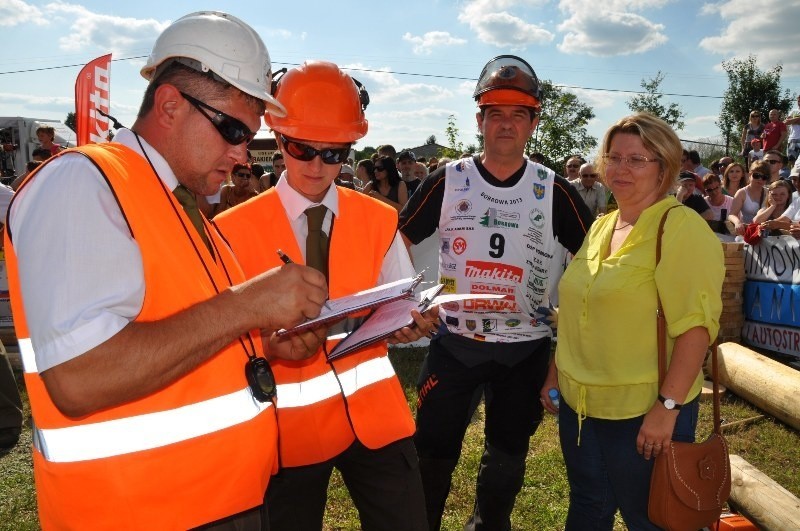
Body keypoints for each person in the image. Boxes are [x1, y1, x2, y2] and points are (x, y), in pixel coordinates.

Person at [4, 11, 329, 530]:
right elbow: (80, 377)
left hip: (218, 504)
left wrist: (261, 343)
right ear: (170, 104)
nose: (243, 153)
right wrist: (247, 304)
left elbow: (180, 334)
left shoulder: (181, 203)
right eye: (232, 129)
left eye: (249, 135)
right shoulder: (83, 183)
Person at [214, 60, 433, 531]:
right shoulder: (230, 232)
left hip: (374, 419)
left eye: (333, 154)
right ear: (276, 139)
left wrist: (408, 324)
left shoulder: (378, 218)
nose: (316, 166)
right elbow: (217, 336)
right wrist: (269, 343)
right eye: (301, 149)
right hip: (284, 430)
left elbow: (402, 304)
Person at [399, 55, 593, 531]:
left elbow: (594, 264)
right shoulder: (447, 179)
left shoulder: (555, 189)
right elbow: (395, 243)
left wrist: (569, 323)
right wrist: (405, 305)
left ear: (533, 122)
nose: (506, 124)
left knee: (506, 459)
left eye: (518, 114)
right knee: (431, 453)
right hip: (455, 343)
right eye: (496, 113)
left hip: (523, 348)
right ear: (480, 120)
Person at [546, 112, 724, 530]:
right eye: (613, 157)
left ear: (664, 168)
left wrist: (667, 409)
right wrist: (556, 372)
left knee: (651, 519)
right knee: (589, 506)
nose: (620, 169)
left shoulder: (679, 228)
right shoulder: (604, 224)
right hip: (581, 407)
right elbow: (578, 309)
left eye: (637, 159)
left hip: (642, 410)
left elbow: (696, 329)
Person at [728, 160, 770, 235]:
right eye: (756, 176)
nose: (760, 179)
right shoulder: (742, 193)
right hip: (747, 232)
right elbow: (732, 214)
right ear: (750, 174)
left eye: (764, 177)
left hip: (765, 233)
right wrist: (737, 223)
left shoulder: (769, 192)